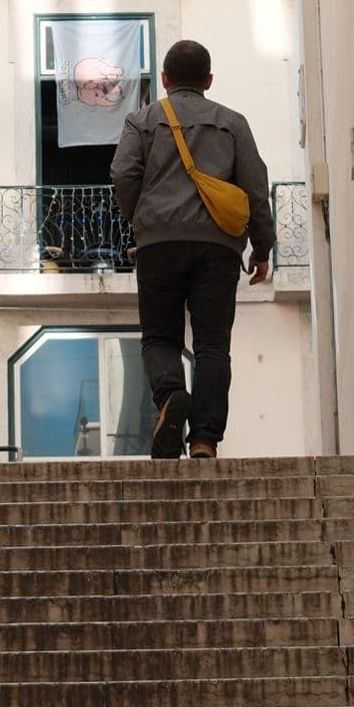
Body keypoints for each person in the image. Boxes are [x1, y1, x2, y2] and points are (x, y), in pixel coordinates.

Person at [109, 37, 271, 460]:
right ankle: (203, 440)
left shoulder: (140, 121)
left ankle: (169, 397)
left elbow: (122, 173)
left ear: (164, 79)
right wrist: (262, 246)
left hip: (159, 245)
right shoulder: (233, 123)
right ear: (209, 80)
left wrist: (142, 218)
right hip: (218, 248)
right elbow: (254, 187)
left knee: (159, 337)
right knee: (213, 345)